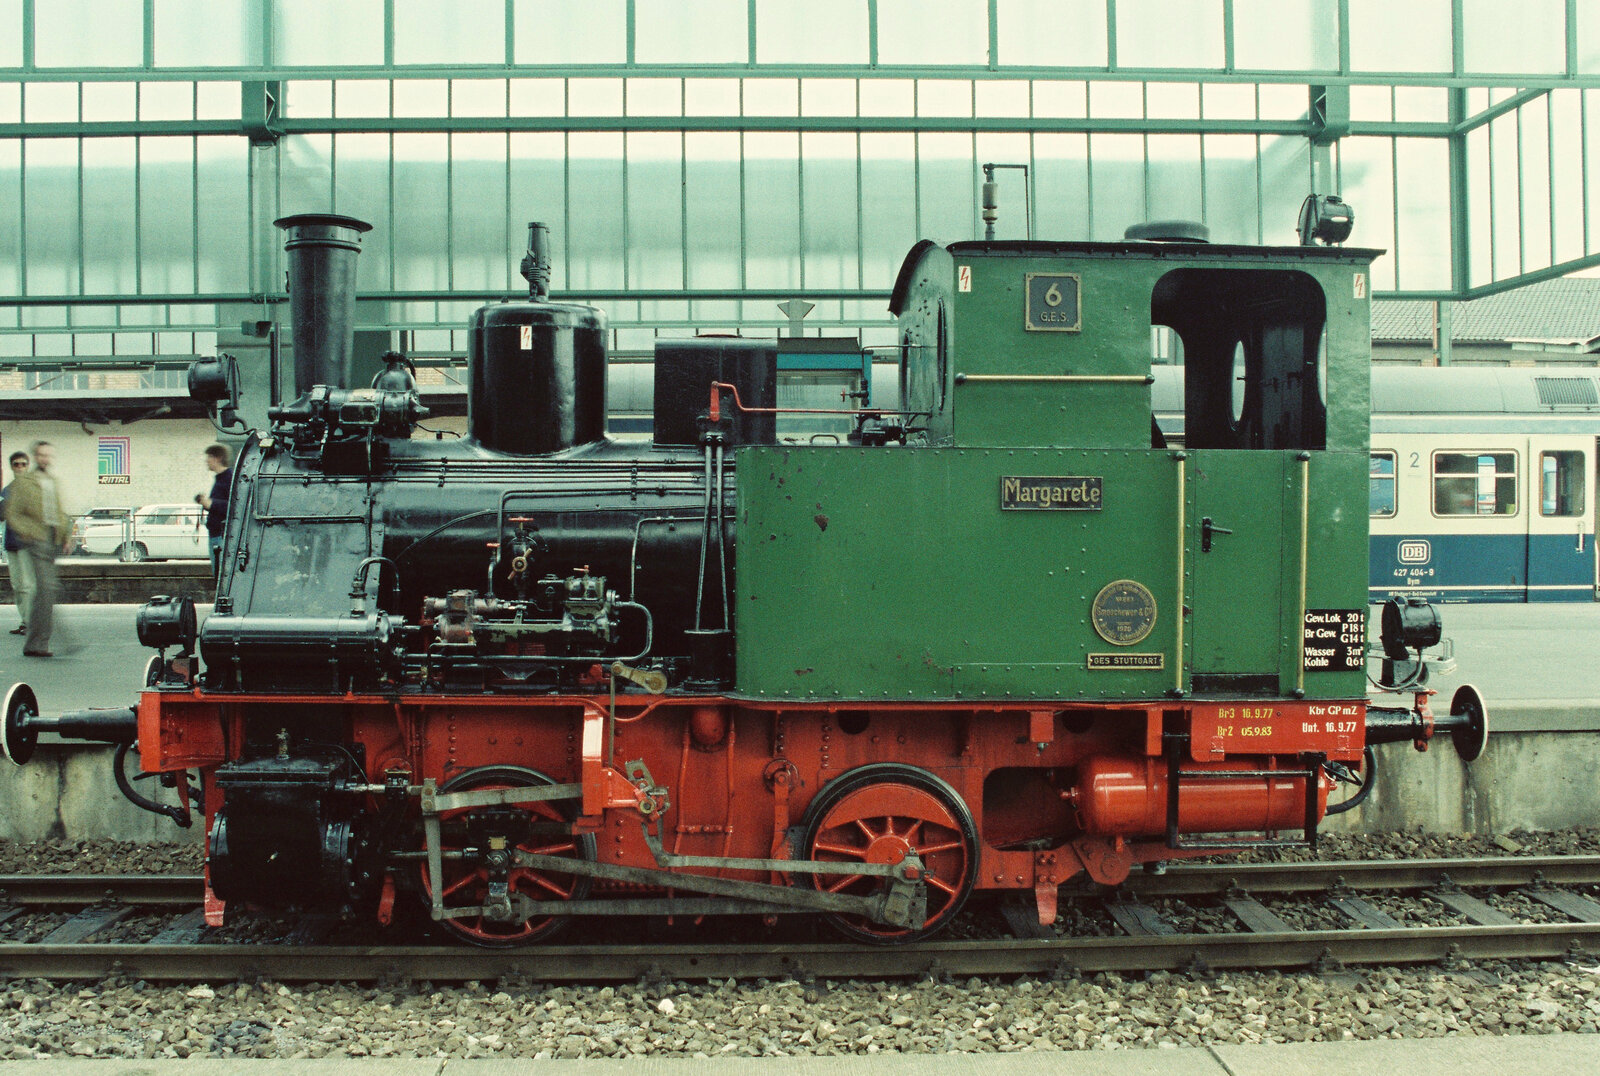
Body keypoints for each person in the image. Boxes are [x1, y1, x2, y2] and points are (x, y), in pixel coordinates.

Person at [1, 441, 70, 657]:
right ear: (36, 457)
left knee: (44, 591)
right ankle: (39, 642)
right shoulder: (23, 483)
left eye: (48, 455)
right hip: (35, 539)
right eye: (41, 455)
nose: (45, 459)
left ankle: (34, 642)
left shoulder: (53, 482)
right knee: (46, 588)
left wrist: (66, 536)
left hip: (52, 539)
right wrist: (26, 531)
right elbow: (12, 513)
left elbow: (60, 511)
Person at [1, 451, 32, 635]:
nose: (19, 467)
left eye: (23, 464)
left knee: (28, 585)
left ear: (27, 466)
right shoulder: (7, 490)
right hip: (12, 543)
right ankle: (24, 621)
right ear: (12, 467)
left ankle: (31, 623)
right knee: (18, 585)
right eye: (16, 464)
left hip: (27, 543)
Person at [198, 443, 233, 578]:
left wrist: (211, 504)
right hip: (216, 534)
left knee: (221, 576)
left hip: (221, 536)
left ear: (217, 458)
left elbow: (235, 506)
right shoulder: (221, 479)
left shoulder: (228, 478)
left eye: (209, 457)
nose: (206, 461)